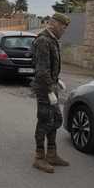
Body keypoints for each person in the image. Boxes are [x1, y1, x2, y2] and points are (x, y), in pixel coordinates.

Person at [31, 13, 70, 173]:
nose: (64, 30)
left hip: (51, 86)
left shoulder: (52, 40)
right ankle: (39, 157)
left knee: (56, 119)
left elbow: (50, 66)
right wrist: (49, 90)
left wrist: (57, 80)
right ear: (54, 24)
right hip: (44, 88)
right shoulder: (43, 41)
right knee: (45, 121)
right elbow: (41, 71)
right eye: (63, 27)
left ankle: (52, 153)